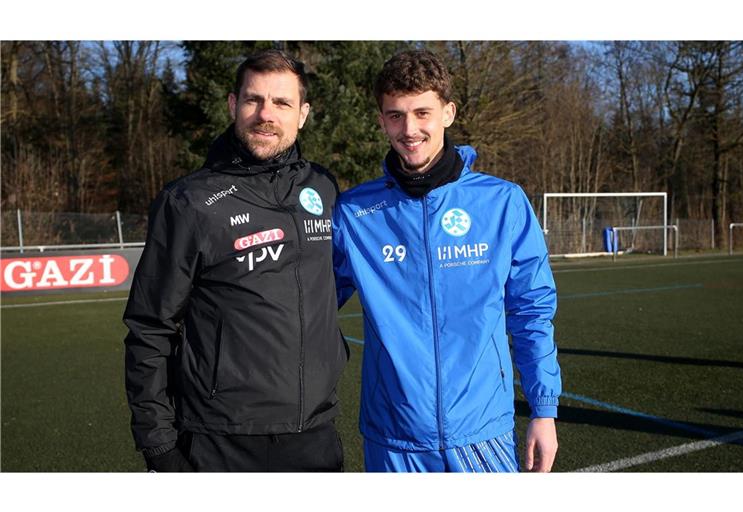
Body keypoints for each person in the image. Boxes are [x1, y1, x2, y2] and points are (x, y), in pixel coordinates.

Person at [332, 50, 561, 472]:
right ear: (381, 120)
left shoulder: (502, 202)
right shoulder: (354, 213)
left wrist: (543, 409)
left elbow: (532, 310)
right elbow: (306, 303)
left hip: (482, 433)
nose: (410, 129)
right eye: (395, 115)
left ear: (448, 113)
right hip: (393, 438)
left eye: (423, 112)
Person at [123, 49, 347, 472]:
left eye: (282, 103)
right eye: (253, 100)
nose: (266, 114)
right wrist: (158, 445)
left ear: (303, 114)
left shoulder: (323, 187)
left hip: (315, 434)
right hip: (221, 439)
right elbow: (150, 327)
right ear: (232, 105)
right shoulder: (189, 202)